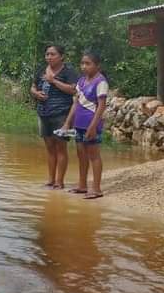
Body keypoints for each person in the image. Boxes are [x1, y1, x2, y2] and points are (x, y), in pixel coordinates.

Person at [30, 44, 79, 190]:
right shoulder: (41, 69)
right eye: (47, 54)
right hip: (43, 113)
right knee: (50, 148)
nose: (49, 57)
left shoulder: (68, 71)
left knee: (61, 148)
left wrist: (54, 81)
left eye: (53, 54)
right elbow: (32, 86)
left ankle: (59, 182)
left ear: (61, 56)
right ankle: (51, 180)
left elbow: (73, 90)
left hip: (61, 114)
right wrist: (36, 94)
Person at [63, 50, 108, 199]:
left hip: (91, 124)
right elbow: (75, 103)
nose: (84, 66)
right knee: (81, 155)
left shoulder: (100, 82)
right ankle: (82, 185)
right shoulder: (81, 81)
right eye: (82, 63)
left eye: (88, 63)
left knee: (93, 155)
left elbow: (101, 106)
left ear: (97, 66)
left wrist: (93, 126)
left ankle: (96, 188)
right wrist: (68, 123)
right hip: (79, 124)